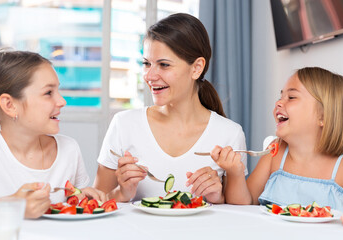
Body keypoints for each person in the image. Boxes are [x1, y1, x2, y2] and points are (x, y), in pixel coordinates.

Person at [93, 13, 248, 203]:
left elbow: (239, 217)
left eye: (164, 65)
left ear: (197, 68)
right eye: (146, 63)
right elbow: (95, 203)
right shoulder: (124, 125)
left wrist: (218, 197)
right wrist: (121, 192)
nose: (149, 76)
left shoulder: (229, 134)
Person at [0, 50, 107, 218]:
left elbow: (73, 205)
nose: (62, 101)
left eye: (58, 91)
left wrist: (80, 198)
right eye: (48, 93)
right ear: (10, 105)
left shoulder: (69, 149)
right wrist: (14, 205)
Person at [211, 67, 343, 227]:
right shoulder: (275, 155)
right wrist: (235, 173)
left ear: (323, 116)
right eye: (281, 96)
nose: (278, 102)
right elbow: (244, 205)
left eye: (291, 97)